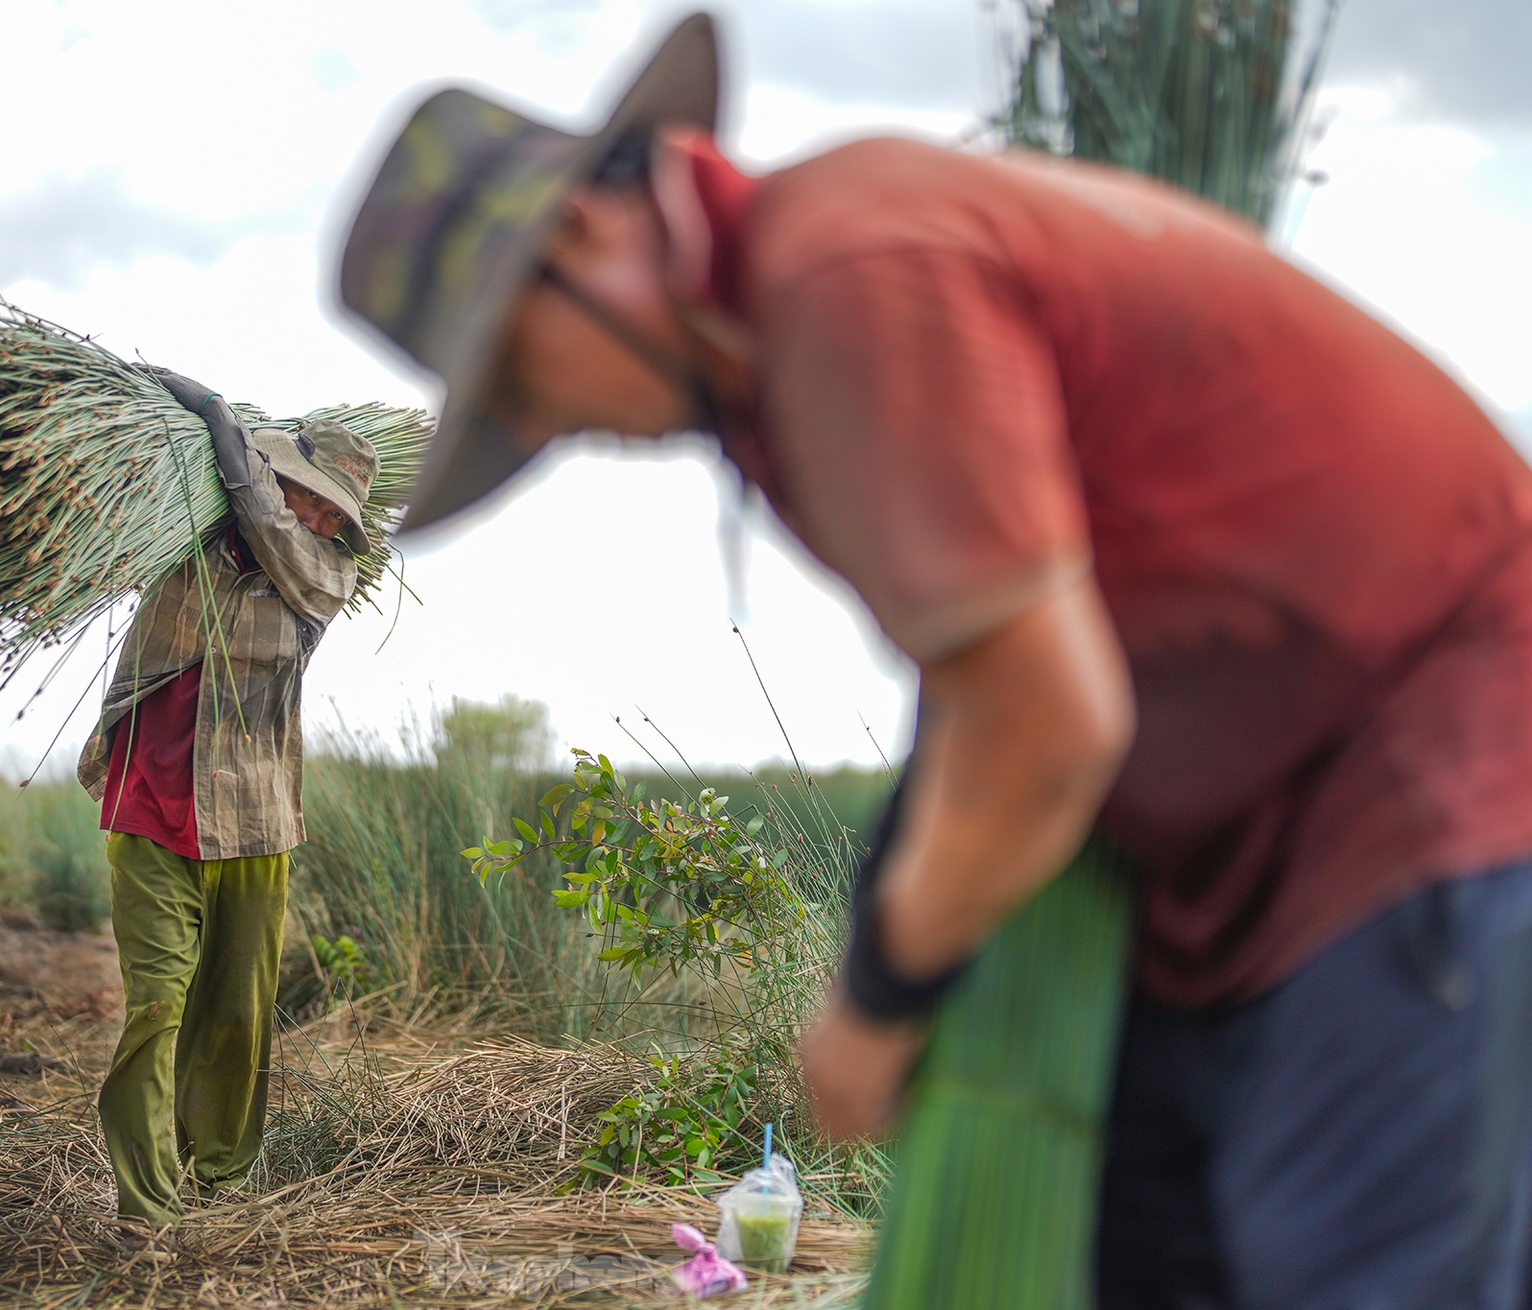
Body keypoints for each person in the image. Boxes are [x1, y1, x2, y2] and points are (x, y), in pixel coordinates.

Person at [334, 14, 1532, 1307]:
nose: (547, 427)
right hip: (1237, 832)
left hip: (1426, 769)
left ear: (578, 237)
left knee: (1347, 1264)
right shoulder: (795, 322)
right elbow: (978, 678)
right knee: (1142, 1251)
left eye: (515, 379)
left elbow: (1040, 717)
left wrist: (877, 996)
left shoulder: (850, 272)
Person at [77, 371, 377, 1236]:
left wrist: (217, 417)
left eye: (334, 513)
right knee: (157, 1007)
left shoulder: (323, 576)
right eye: (309, 497)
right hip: (149, 806)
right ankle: (146, 1205)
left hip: (255, 819)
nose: (319, 519)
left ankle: (226, 1181)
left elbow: (276, 535)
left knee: (237, 1015)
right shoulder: (185, 535)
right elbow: (117, 531)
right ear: (281, 474)